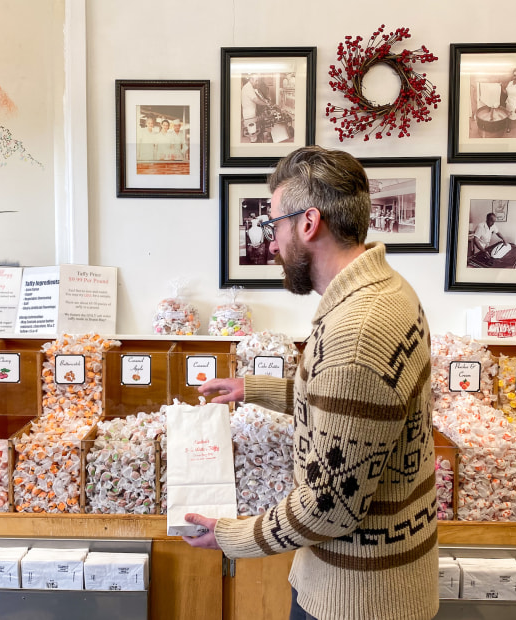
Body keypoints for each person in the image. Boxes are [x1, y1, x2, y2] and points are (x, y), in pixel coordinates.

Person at [186, 146, 438, 620]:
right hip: (381, 576)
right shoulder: (387, 289)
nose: (273, 241)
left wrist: (229, 537)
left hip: (358, 599)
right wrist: (255, 390)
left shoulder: (358, 333)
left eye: (275, 224)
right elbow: (354, 410)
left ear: (308, 223)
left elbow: (330, 507)